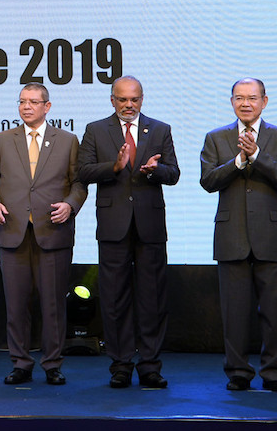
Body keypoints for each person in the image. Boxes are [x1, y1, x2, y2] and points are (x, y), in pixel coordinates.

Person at [0, 82, 87, 386]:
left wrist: (70, 205)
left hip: (53, 231)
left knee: (53, 303)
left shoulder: (67, 141)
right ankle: (21, 363)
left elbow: (79, 183)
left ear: (47, 107)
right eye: (22, 102)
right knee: (16, 304)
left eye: (33, 102)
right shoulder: (3, 140)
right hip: (12, 230)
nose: (26, 107)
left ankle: (52, 364)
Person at [78, 75, 179, 389]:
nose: (128, 105)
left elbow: (173, 173)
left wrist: (155, 170)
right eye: (122, 99)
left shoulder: (160, 129)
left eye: (134, 99)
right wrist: (115, 166)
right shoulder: (96, 130)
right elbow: (82, 171)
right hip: (113, 226)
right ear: (112, 100)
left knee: (152, 298)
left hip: (150, 226)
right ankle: (120, 364)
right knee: (114, 298)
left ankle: (150, 365)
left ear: (142, 99)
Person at [199, 78, 277, 392]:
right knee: (234, 312)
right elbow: (208, 180)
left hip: (270, 235)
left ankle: (274, 373)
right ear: (231, 102)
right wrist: (239, 162)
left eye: (252, 98)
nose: (245, 103)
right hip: (232, 235)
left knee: (275, 312)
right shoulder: (215, 138)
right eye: (239, 98)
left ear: (264, 101)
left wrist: (258, 157)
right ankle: (238, 372)